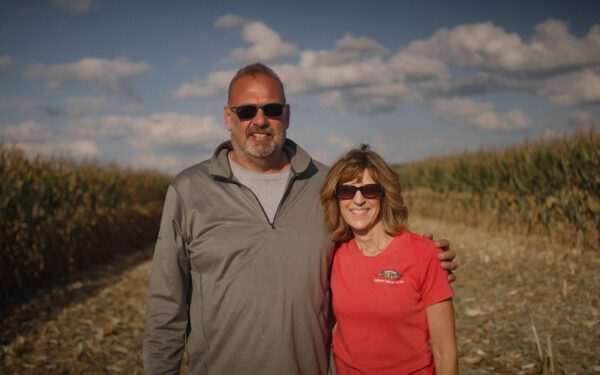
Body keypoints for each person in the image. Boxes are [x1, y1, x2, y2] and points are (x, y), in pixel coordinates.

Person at [143, 63, 457, 374]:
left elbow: (372, 245)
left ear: (288, 115)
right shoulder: (189, 190)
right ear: (228, 117)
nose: (260, 120)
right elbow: (165, 308)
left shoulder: (327, 184)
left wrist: (425, 260)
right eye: (247, 111)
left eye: (273, 109)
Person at [320, 145, 458, 375]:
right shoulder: (333, 255)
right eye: (347, 191)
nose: (358, 200)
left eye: (369, 190)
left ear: (385, 195)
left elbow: (445, 352)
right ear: (336, 198)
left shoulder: (425, 254)